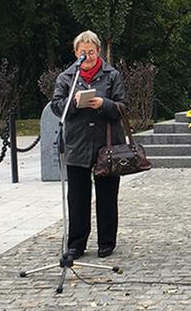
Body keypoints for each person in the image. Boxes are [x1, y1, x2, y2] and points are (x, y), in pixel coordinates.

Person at [51, 30, 127, 259]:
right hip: (77, 143)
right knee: (77, 196)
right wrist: (73, 102)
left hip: (107, 143)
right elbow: (56, 106)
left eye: (91, 52)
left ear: (98, 51)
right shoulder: (67, 77)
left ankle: (106, 242)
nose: (88, 56)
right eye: (83, 52)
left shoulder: (112, 75)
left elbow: (124, 106)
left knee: (106, 195)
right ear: (76, 53)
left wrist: (104, 104)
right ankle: (76, 243)